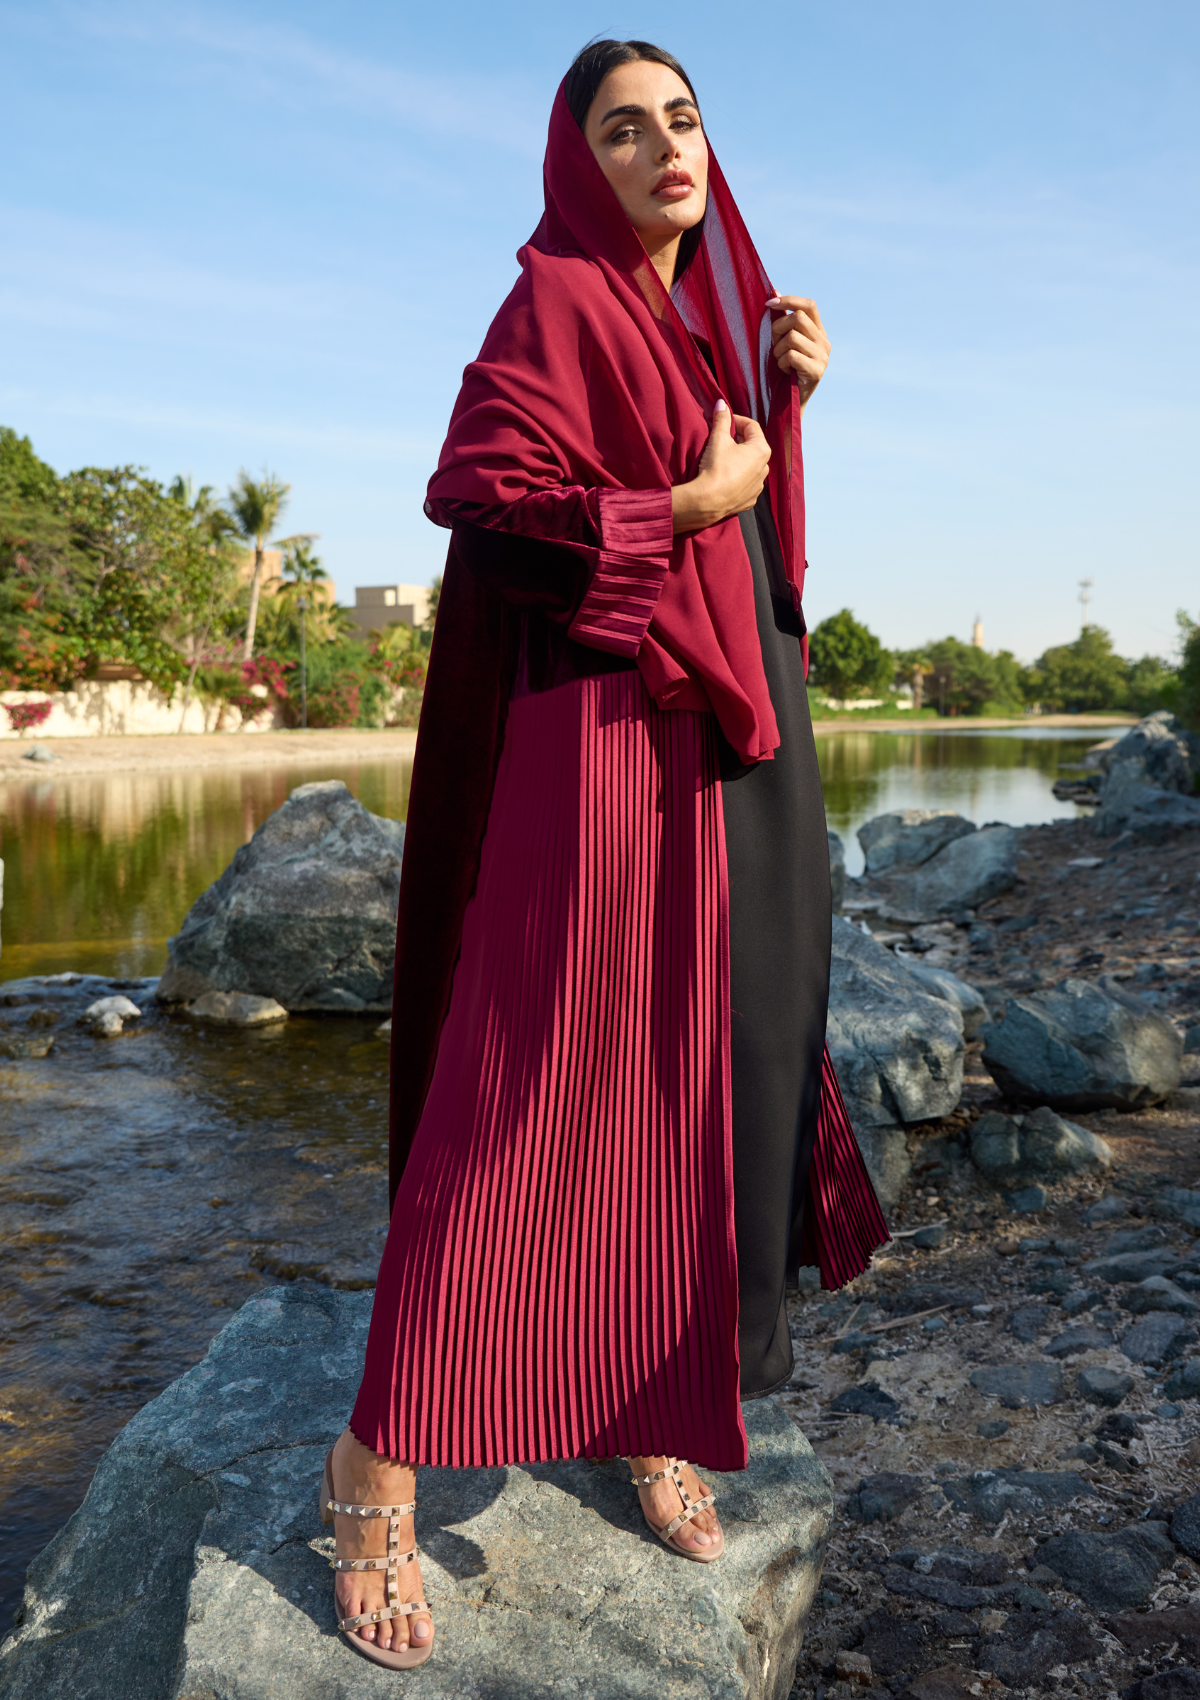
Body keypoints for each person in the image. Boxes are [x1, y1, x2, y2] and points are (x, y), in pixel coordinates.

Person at [319, 38, 889, 1672]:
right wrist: (689, 506)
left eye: (685, 121)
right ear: (579, 163)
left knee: (714, 1069)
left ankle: (650, 1389)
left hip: (741, 744)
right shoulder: (555, 303)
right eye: (625, 131)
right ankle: (378, 1460)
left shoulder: (711, 321)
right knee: (534, 1078)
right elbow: (485, 499)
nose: (665, 151)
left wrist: (786, 404)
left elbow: (767, 555)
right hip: (601, 745)